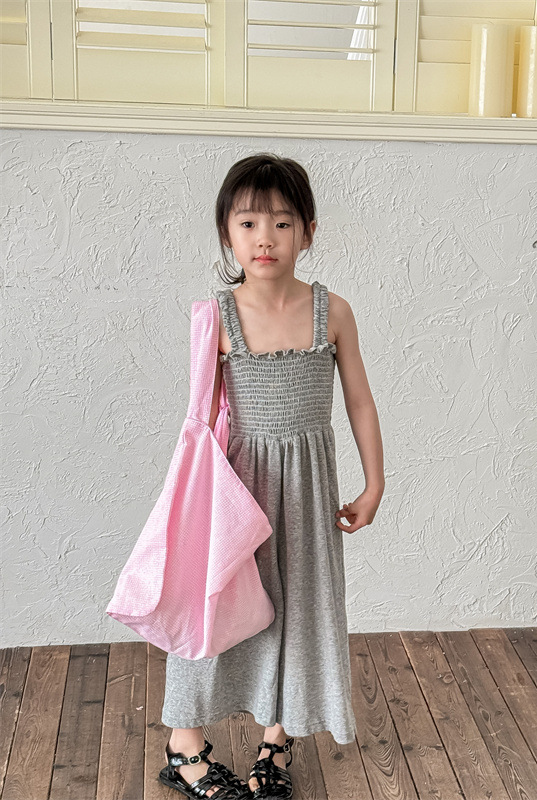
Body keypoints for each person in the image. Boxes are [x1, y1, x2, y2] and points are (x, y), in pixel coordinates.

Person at [157, 153, 385, 799]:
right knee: (216, 607)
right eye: (249, 223)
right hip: (240, 490)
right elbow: (200, 424)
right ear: (227, 234)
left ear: (308, 232)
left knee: (300, 611)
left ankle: (276, 741)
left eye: (282, 223)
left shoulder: (332, 312)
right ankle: (184, 747)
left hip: (308, 492)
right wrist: (197, 512)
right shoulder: (217, 317)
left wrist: (374, 483)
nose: (266, 238)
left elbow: (359, 400)